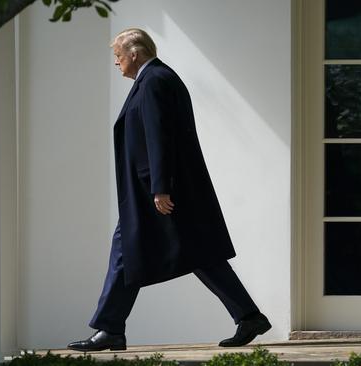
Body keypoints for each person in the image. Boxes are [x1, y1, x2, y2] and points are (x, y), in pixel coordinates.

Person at [67, 28, 271, 352]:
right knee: (197, 253)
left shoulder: (153, 82)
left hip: (157, 192)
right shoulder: (155, 80)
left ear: (134, 53)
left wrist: (160, 188)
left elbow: (159, 136)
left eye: (118, 56)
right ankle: (248, 315)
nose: (116, 63)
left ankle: (109, 328)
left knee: (129, 250)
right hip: (160, 189)